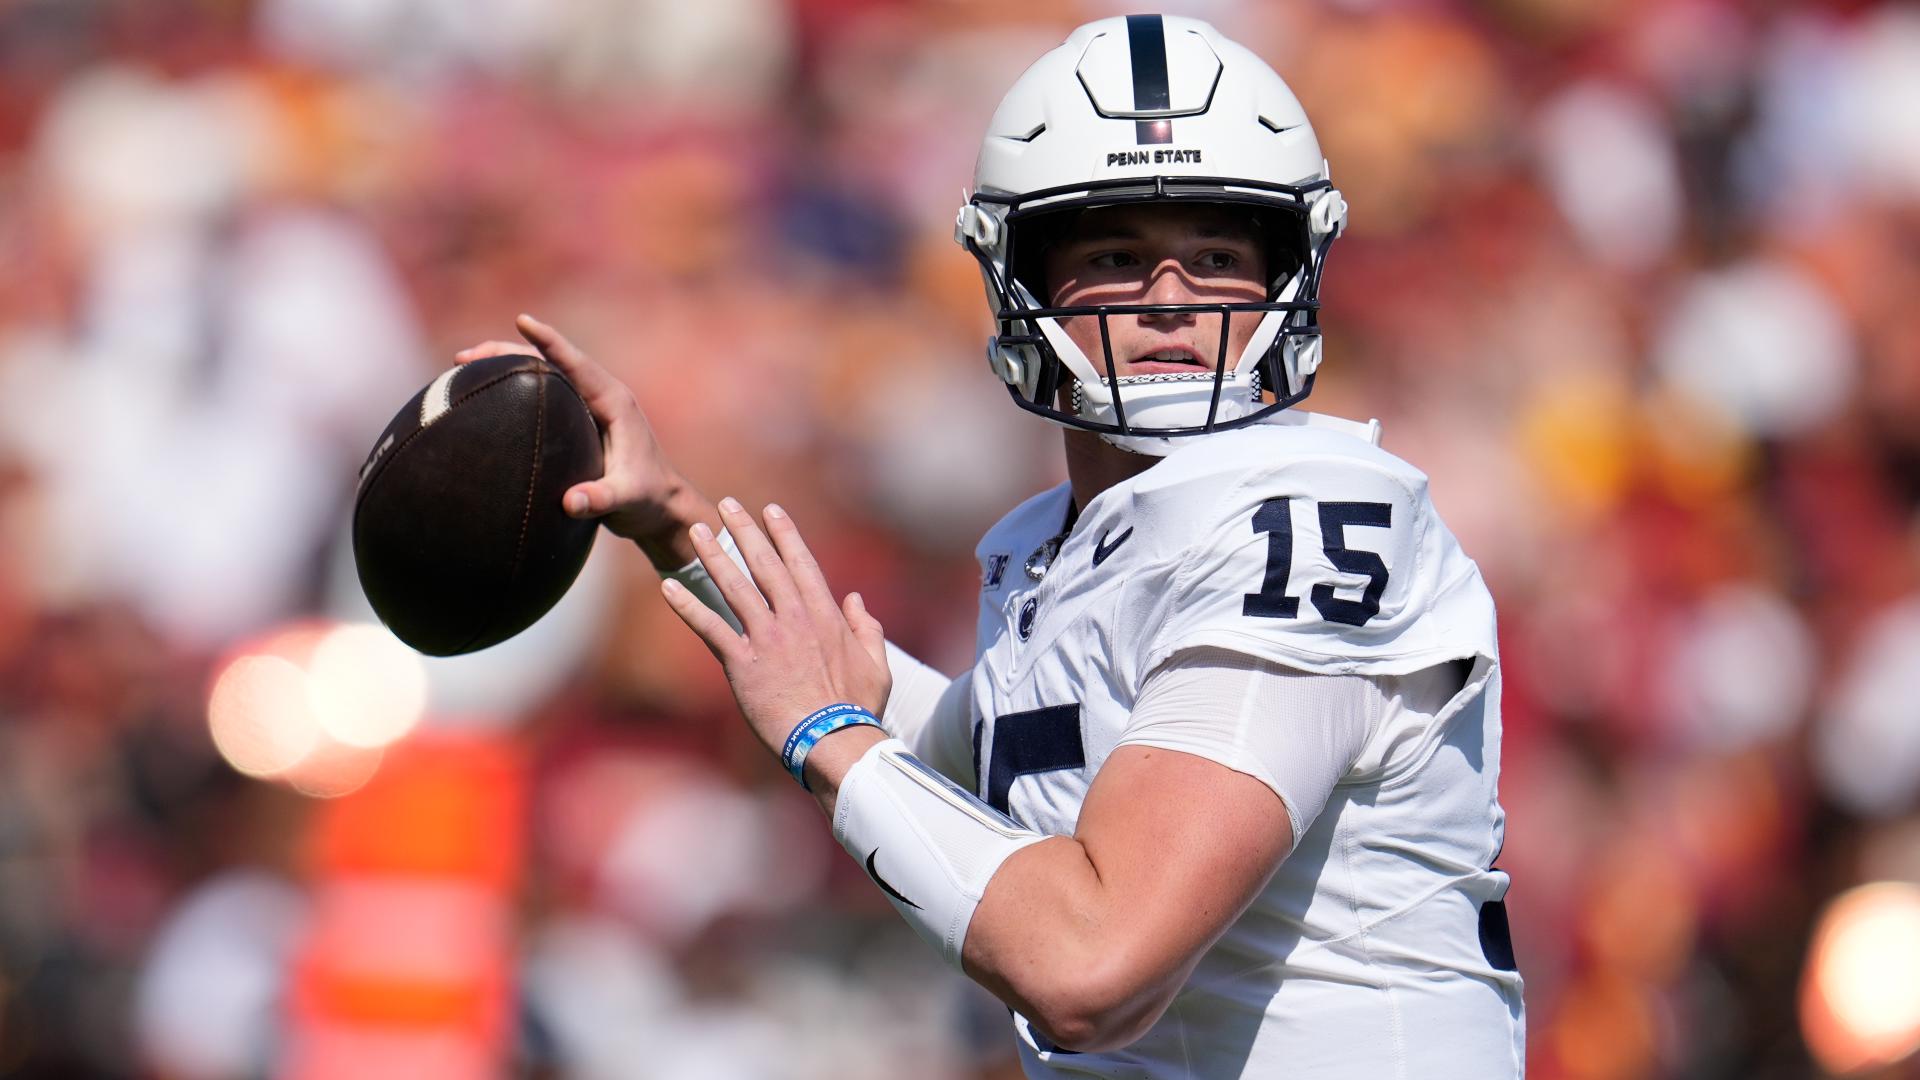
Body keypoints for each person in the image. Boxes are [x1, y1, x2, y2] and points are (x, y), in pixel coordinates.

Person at [458, 15, 1524, 1077]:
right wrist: (675, 526)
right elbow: (950, 773)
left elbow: (1091, 968)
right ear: (1017, 272)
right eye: (1115, 254)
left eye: (1215, 255)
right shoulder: (1068, 542)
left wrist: (826, 734)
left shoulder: (1312, 511)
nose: (1168, 302)